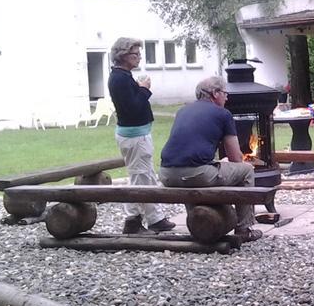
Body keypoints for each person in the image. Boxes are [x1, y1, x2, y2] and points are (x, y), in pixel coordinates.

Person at [159, 76, 263, 244]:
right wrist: (228, 164)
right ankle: (244, 229)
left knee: (198, 172)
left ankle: (199, 220)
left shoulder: (182, 111)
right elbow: (237, 158)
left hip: (166, 174)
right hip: (197, 174)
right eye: (224, 93)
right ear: (215, 93)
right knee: (246, 171)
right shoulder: (223, 114)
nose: (227, 97)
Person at [107, 37, 175, 235]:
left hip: (138, 134)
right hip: (135, 137)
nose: (139, 58)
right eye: (135, 54)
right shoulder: (120, 79)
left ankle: (153, 219)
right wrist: (144, 89)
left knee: (144, 177)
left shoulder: (123, 76)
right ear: (123, 55)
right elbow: (134, 108)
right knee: (140, 178)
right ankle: (134, 222)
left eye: (139, 54)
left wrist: (138, 88)